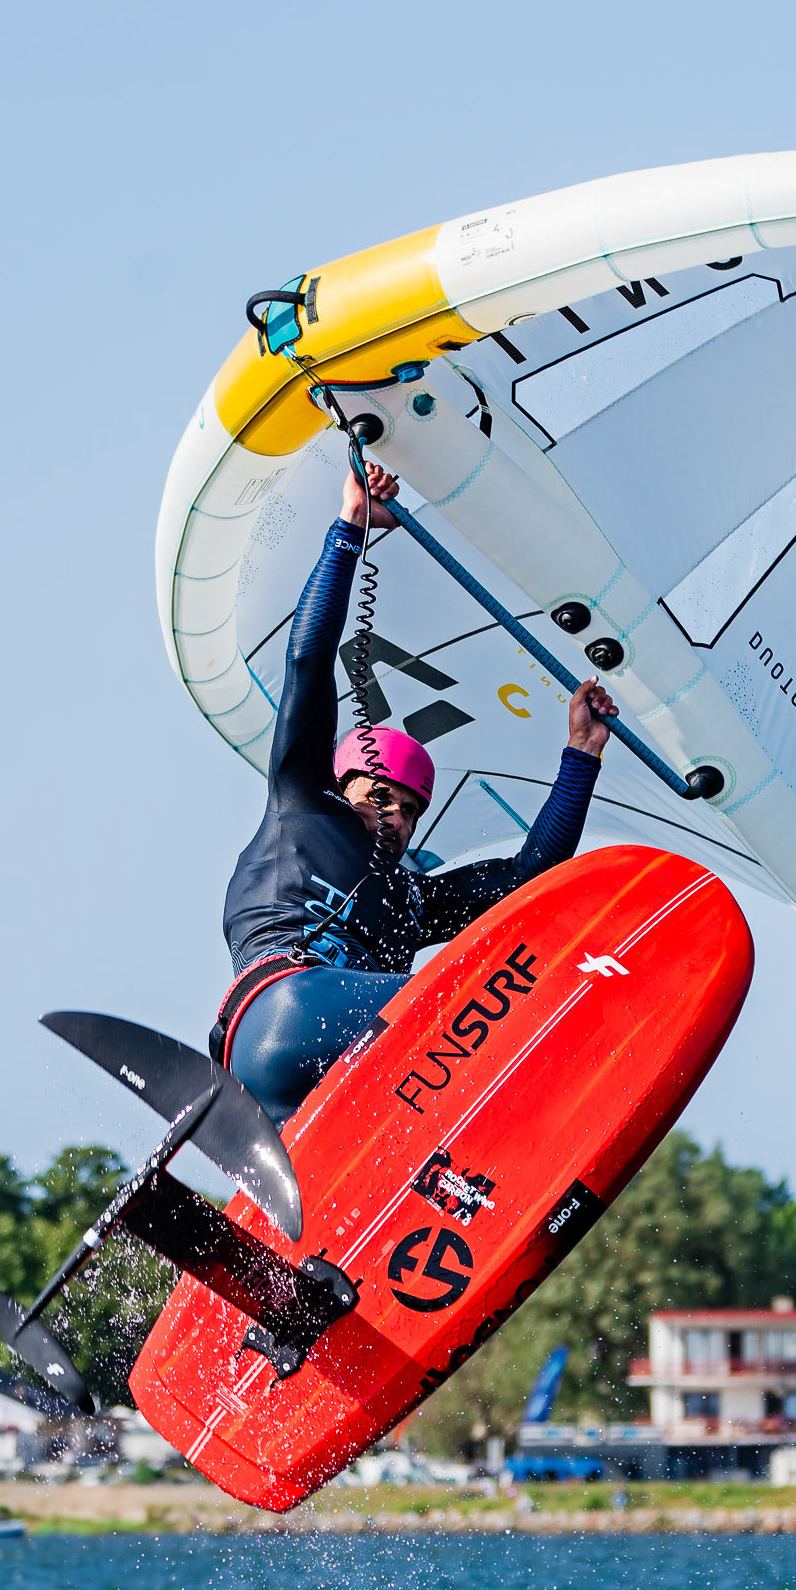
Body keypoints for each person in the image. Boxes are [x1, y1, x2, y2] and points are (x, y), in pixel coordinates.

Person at [214, 462, 619, 1124]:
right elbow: (308, 664)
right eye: (381, 795)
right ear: (343, 783)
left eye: (409, 810)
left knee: (389, 1145)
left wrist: (582, 754)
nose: (396, 816)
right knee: (492, 1006)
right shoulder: (302, 806)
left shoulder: (410, 899)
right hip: (281, 1007)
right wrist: (350, 527)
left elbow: (529, 875)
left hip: (302, 1079)